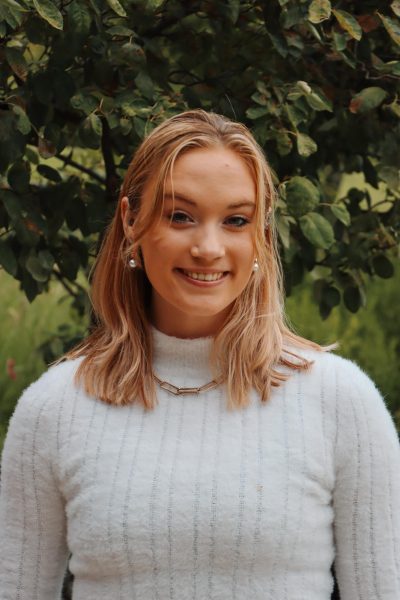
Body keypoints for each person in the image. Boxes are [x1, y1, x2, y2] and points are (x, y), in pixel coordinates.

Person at [0, 110, 399, 600]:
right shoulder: (55, 409)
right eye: (180, 216)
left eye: (236, 221)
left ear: (260, 235)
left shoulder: (340, 402)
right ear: (130, 220)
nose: (208, 248)